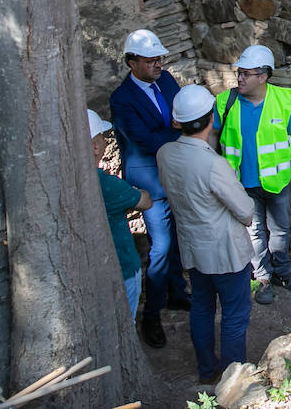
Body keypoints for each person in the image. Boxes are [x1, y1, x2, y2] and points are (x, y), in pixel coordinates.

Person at [212, 45, 291, 305]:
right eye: (239, 73)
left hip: (277, 182)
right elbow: (212, 136)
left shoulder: (283, 100)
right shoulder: (225, 102)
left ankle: (282, 273)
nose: (240, 78)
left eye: (246, 74)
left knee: (280, 231)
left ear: (263, 76)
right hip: (241, 184)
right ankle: (263, 278)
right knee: (254, 232)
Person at [159, 85, 254, 386]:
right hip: (226, 252)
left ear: (177, 121)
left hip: (193, 248)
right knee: (234, 315)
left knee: (201, 307)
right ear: (211, 117)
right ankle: (232, 379)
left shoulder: (165, 153)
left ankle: (207, 370)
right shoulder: (213, 164)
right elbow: (245, 211)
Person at [108, 28, 190, 348]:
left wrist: (178, 127)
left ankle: (176, 293)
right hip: (149, 181)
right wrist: (180, 132)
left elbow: (181, 114)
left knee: (178, 239)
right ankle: (152, 315)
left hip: (175, 171)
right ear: (132, 62)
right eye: (151, 59)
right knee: (160, 247)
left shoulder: (166, 80)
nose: (158, 64)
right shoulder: (121, 99)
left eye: (160, 58)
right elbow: (144, 140)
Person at [89, 109, 152, 321]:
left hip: (89, 275)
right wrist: (131, 193)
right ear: (95, 147)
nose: (105, 141)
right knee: (125, 323)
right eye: (102, 136)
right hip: (122, 269)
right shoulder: (108, 185)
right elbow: (145, 201)